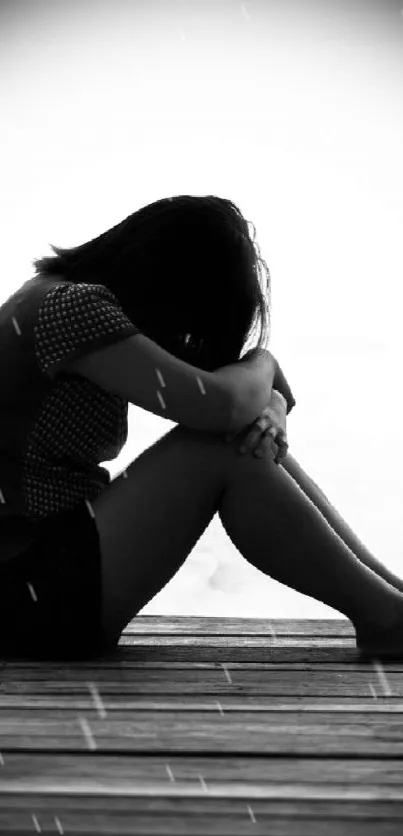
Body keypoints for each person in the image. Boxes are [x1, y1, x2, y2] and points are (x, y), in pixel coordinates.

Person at [0, 194, 402, 661]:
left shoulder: (49, 297)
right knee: (218, 447)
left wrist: (267, 399)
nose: (187, 338)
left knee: (232, 439)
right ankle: (386, 616)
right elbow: (222, 405)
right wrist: (264, 363)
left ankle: (387, 600)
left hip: (34, 579)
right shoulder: (72, 308)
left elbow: (230, 400)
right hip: (23, 593)